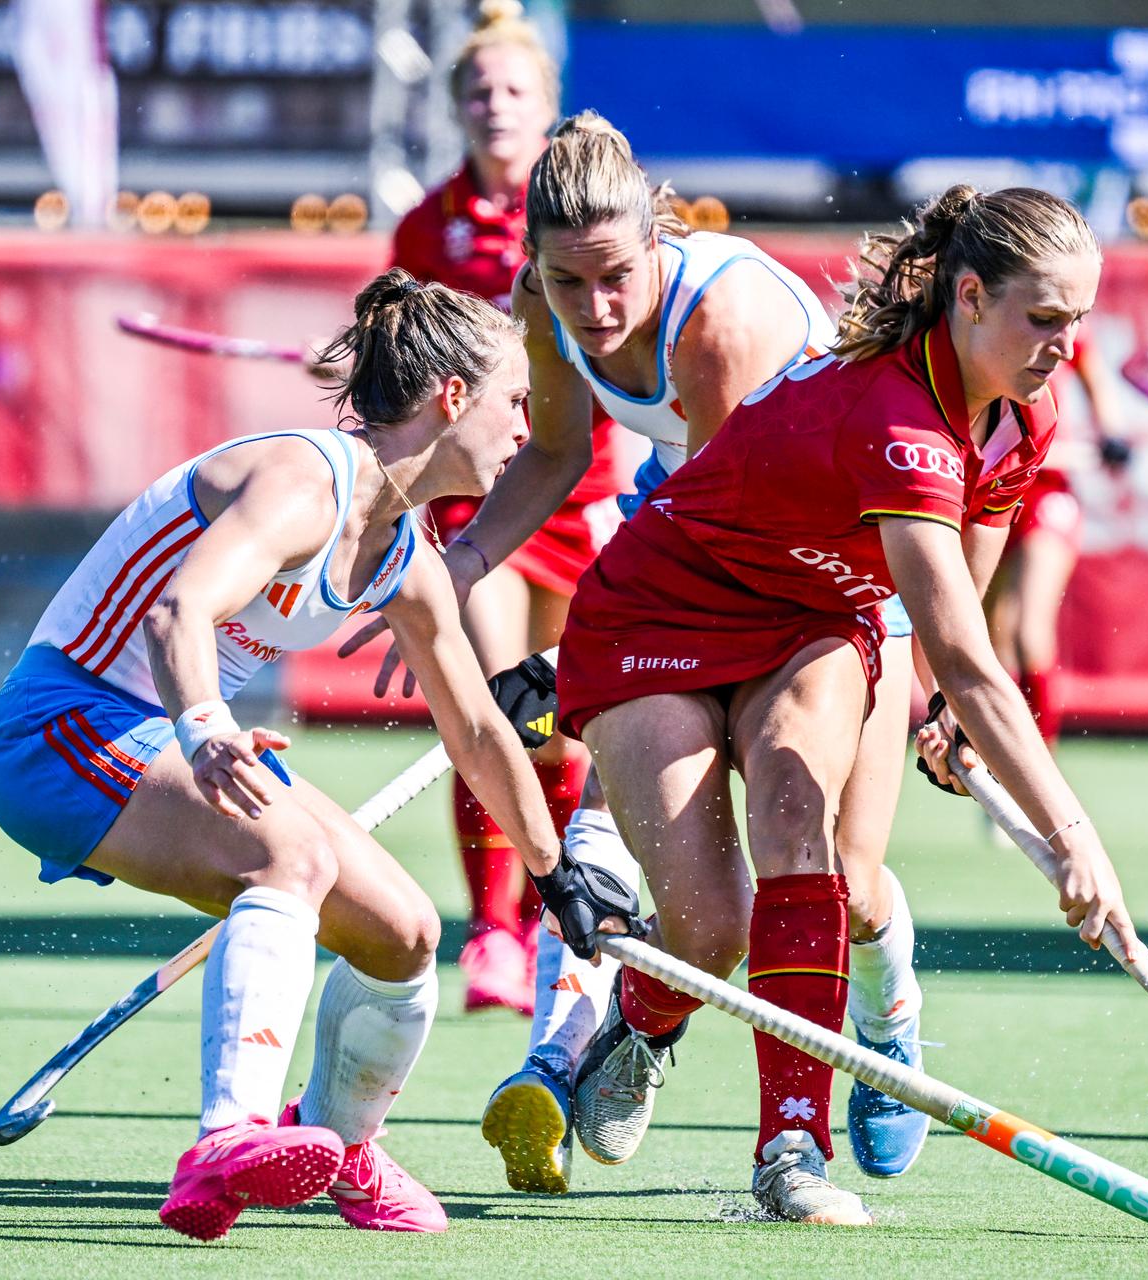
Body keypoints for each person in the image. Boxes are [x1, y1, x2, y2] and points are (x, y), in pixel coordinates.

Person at [0, 270, 633, 1241]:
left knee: (403, 930)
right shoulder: (306, 479)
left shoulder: (404, 554)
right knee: (293, 856)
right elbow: (179, 608)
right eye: (511, 400)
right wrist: (206, 727)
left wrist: (557, 874)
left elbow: (481, 732)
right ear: (453, 398)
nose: (523, 427)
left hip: (171, 733)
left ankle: (335, 1140)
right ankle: (225, 1136)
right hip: (64, 727)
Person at [351, 110, 933, 1192]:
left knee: (841, 879)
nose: (597, 310)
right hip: (690, 561)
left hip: (829, 576)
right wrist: (459, 572)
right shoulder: (549, 303)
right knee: (706, 922)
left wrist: (562, 664)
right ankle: (668, 1053)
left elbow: (729, 527)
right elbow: (561, 451)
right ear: (534, 266)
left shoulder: (720, 325)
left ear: (658, 236)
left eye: (616, 276)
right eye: (567, 284)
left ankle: (887, 1022)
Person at [550, 184, 1141, 1223]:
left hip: (813, 616)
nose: (1066, 342)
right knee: (706, 925)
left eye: (1081, 318)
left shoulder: (1023, 405)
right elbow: (959, 648)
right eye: (1046, 318)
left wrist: (958, 710)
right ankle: (640, 1022)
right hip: (660, 607)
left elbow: (973, 560)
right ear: (968, 296)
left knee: (800, 824)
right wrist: (1074, 829)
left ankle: (791, 1144)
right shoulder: (899, 418)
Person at [384, 0, 625, 1017]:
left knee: (565, 727)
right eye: (478, 90)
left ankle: (544, 911)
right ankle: (493, 925)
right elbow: (398, 362)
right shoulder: (424, 225)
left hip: (587, 475)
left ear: (547, 106)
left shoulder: (573, 211)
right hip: (483, 489)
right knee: (490, 698)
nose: (495, 106)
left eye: (514, 90)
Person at [984, 323, 1130, 750]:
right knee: (993, 641)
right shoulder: (985, 327)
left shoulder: (1062, 329)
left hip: (1047, 492)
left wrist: (1112, 433)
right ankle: (1002, 763)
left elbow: (1095, 381)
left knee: (1030, 633)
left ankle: (1038, 762)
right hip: (990, 495)